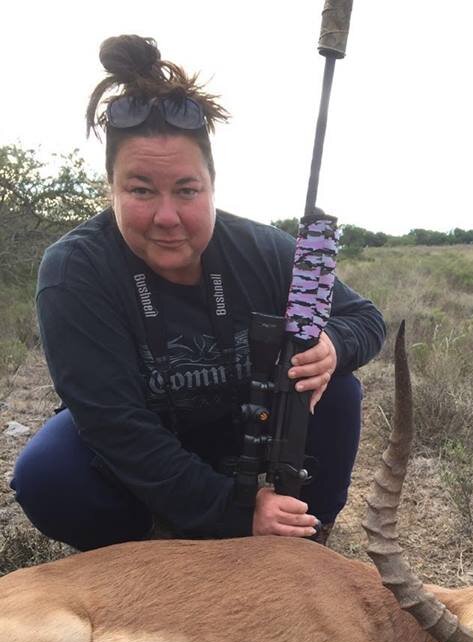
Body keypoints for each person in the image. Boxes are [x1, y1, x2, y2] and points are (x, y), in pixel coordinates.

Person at [11, 35, 385, 552]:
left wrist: (335, 345)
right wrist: (234, 511)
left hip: (243, 436)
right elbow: (117, 426)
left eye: (187, 190)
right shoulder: (75, 271)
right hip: (145, 455)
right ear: (111, 190)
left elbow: (364, 318)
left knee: (335, 386)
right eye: (141, 190)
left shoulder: (263, 248)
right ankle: (149, 547)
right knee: (48, 473)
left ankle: (304, 540)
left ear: (213, 184)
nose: (167, 218)